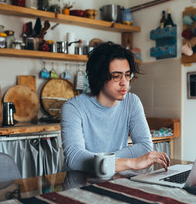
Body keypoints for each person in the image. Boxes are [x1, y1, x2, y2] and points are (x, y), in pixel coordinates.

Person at [61, 42, 170, 173]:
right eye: (117, 76)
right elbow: (75, 158)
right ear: (99, 77)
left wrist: (103, 161)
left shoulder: (132, 102)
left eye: (127, 75)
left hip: (114, 177)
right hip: (78, 182)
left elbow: (145, 147)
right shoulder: (73, 107)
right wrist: (132, 162)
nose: (124, 82)